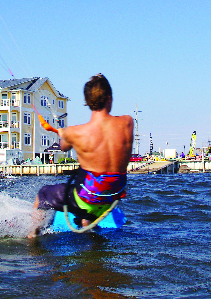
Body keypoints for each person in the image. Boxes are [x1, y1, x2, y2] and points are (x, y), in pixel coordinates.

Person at [29, 74, 133, 235]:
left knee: (43, 193)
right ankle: (89, 232)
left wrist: (63, 133)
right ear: (110, 99)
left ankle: (32, 239)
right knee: (88, 181)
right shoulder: (127, 123)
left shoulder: (75, 133)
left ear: (87, 103)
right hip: (114, 194)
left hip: (88, 197)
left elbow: (63, 147)